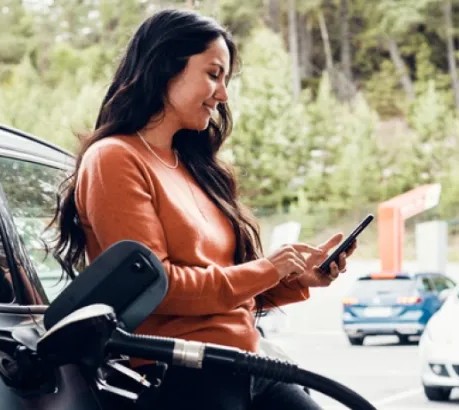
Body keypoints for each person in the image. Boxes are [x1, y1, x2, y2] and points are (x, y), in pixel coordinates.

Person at [50, 8, 356, 410]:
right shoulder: (115, 159)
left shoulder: (199, 168)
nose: (223, 94)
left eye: (226, 79)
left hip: (250, 363)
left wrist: (298, 281)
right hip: (182, 377)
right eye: (213, 74)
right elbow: (158, 291)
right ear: (165, 68)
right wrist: (270, 268)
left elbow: (223, 293)